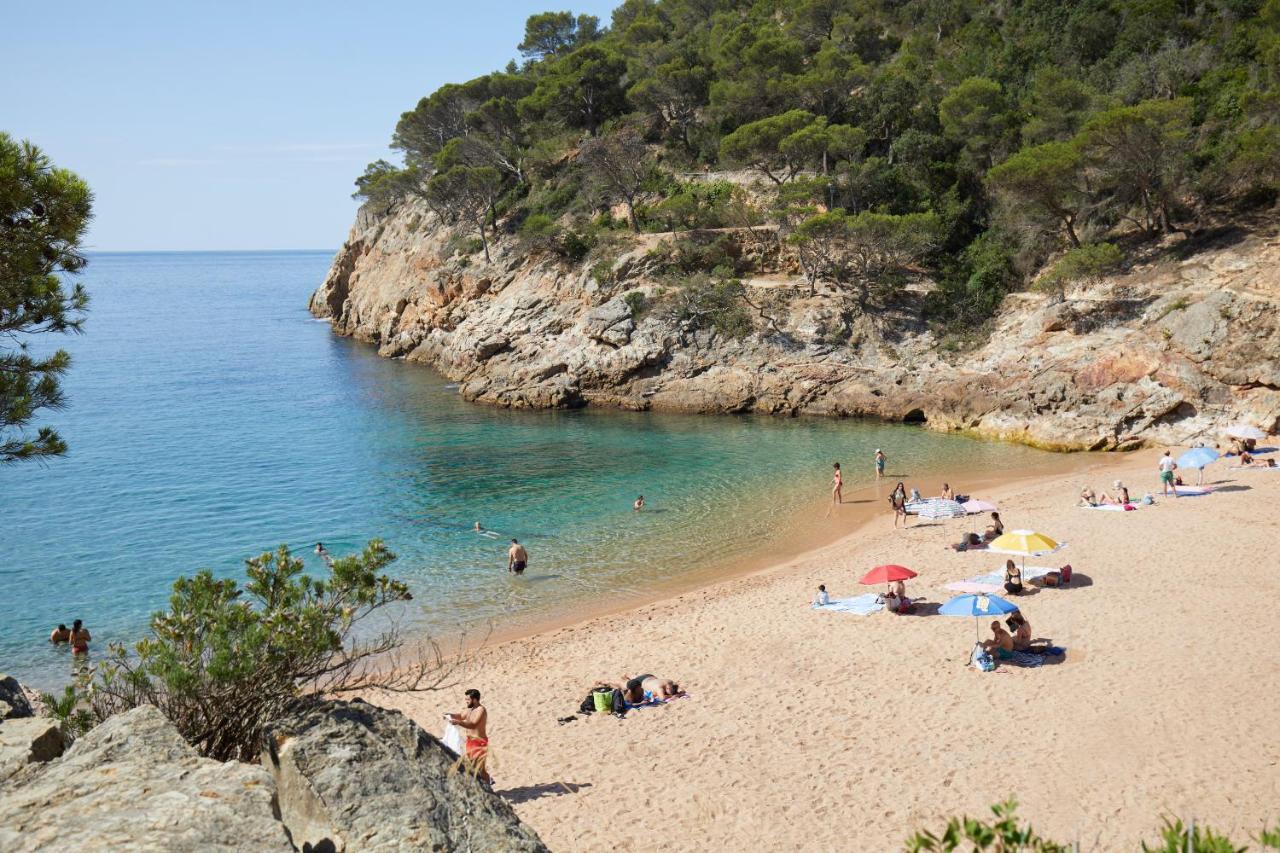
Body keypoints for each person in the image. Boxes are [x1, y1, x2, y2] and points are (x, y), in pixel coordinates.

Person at [448, 689, 490, 784]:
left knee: (480, 768)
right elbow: (460, 715)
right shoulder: (469, 709)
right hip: (470, 742)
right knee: (472, 766)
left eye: (468, 699)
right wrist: (450, 715)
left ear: (475, 700)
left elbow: (473, 724)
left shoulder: (481, 710)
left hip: (480, 742)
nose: (466, 701)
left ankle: (489, 784)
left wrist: (458, 723)